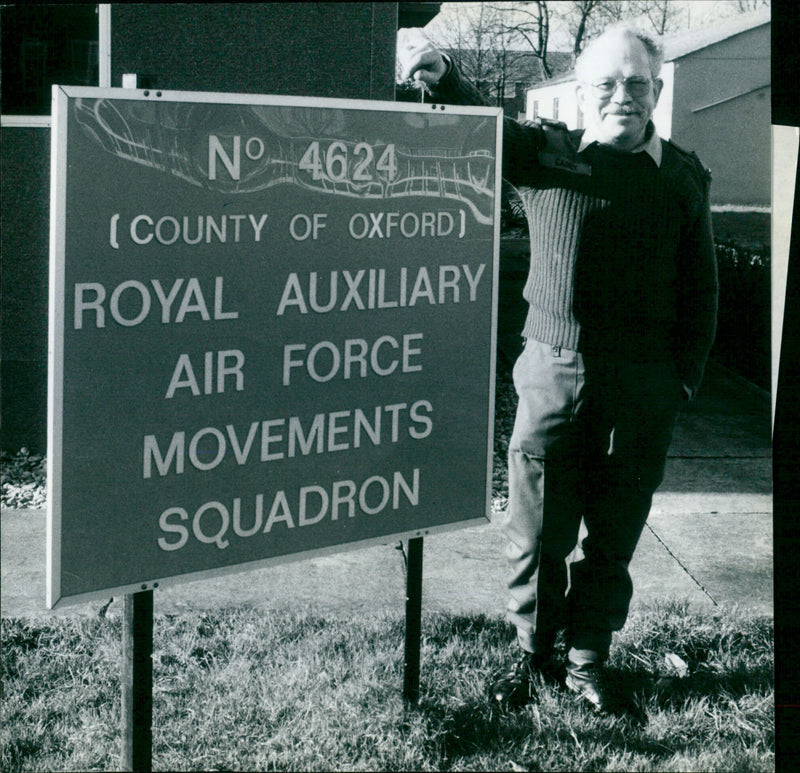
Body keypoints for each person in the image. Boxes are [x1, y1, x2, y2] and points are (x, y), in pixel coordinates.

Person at [398, 26, 718, 713]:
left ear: (657, 91)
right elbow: (483, 122)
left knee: (615, 529)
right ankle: (533, 654)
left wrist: (681, 379)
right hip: (554, 374)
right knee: (539, 531)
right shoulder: (546, 152)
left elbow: (703, 286)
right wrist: (441, 70)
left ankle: (587, 660)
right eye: (606, 83)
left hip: (643, 388)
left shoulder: (684, 175)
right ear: (582, 92)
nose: (622, 96)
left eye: (637, 83)